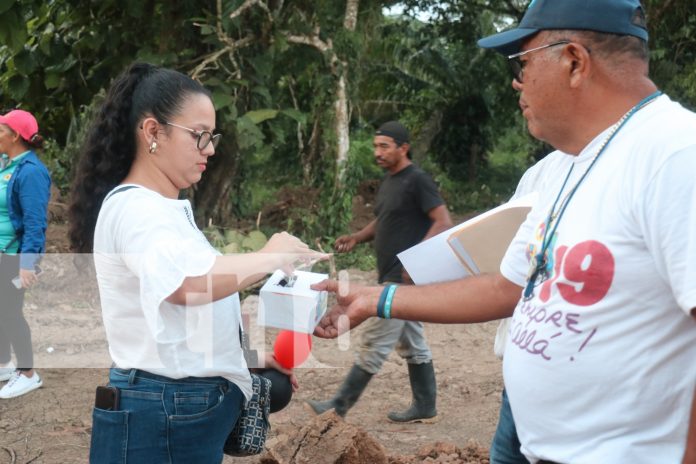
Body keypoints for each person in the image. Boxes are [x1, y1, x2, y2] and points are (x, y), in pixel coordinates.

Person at [312, 1, 696, 463]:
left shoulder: (675, 155)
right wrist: (377, 299)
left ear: (574, 61)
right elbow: (505, 286)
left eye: (523, 62)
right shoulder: (569, 165)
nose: (517, 81)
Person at [68, 62, 325, 463]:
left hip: (173, 406)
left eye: (212, 136)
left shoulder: (164, 208)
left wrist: (246, 360)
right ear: (153, 132)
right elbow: (188, 284)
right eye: (199, 136)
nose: (210, 148)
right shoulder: (139, 210)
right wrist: (269, 256)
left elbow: (174, 329)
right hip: (163, 408)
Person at [307, 121, 452, 423]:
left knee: (375, 341)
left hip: (403, 279)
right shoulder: (389, 181)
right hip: (391, 275)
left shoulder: (418, 180)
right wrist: (357, 237)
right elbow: (384, 220)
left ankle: (338, 407)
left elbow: (442, 221)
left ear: (403, 148)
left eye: (384, 146)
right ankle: (425, 405)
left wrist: (418, 262)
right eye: (376, 146)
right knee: (413, 342)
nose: (378, 152)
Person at [0, 109, 50, 399]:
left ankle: (28, 373)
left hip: (15, 256)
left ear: (15, 136)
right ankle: (5, 364)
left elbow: (35, 223)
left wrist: (27, 264)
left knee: (10, 313)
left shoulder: (31, 172)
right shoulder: (8, 165)